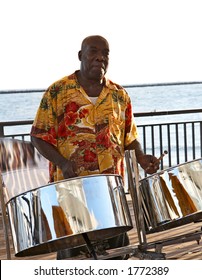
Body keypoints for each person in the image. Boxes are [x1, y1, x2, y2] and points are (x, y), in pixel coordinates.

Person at [30, 35, 159, 259]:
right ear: (81, 56)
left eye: (105, 54)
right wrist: (62, 162)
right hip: (71, 192)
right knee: (74, 261)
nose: (100, 57)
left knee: (116, 257)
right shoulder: (57, 92)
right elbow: (38, 136)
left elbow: (129, 138)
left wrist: (141, 157)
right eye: (93, 52)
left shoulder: (120, 95)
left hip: (111, 194)